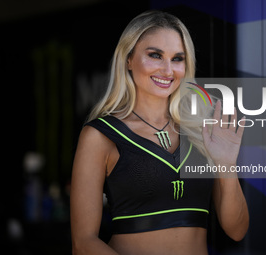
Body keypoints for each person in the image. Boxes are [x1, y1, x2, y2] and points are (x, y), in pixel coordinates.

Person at [70, 10, 249, 255]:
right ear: (128, 59)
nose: (168, 69)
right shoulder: (100, 135)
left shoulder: (204, 130)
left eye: (177, 58)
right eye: (155, 55)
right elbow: (83, 242)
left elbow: (237, 230)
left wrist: (227, 164)